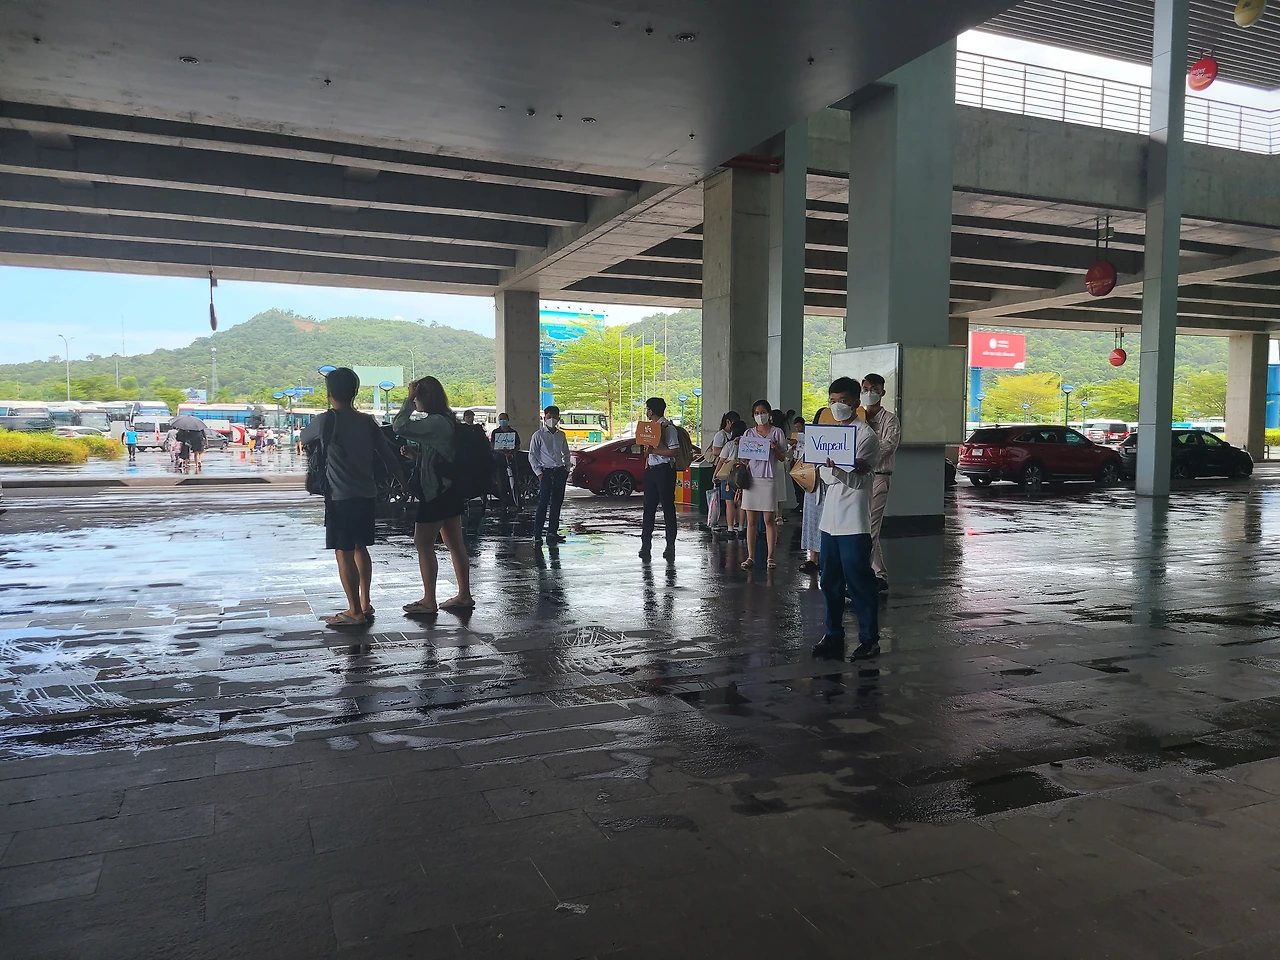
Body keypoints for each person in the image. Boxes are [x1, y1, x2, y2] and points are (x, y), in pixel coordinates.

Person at [301, 367, 407, 628]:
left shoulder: (325, 420)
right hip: (367, 495)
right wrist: (405, 484)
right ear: (355, 391)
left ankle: (354, 611)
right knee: (361, 547)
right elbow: (388, 455)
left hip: (340, 497)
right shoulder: (367, 421)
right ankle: (364, 602)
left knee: (343, 551)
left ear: (329, 393)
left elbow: (305, 437)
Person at [812, 377, 882, 661]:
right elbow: (823, 474)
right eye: (832, 401)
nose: (837, 406)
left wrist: (838, 470)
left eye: (842, 401)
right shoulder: (829, 435)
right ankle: (833, 633)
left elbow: (858, 480)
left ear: (855, 402)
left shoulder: (866, 436)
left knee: (858, 580)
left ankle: (869, 638)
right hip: (830, 520)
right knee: (829, 579)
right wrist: (839, 469)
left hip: (854, 520)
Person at [393, 377, 474, 615]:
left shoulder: (437, 422)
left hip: (437, 493)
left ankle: (429, 600)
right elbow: (440, 456)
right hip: (449, 489)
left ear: (427, 397)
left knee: (423, 543)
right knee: (455, 543)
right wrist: (416, 456)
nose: (415, 401)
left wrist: (407, 400)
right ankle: (464, 595)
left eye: (417, 397)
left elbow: (399, 426)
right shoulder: (445, 420)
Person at [860, 373, 901, 594]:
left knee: (870, 528)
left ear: (882, 392)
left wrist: (863, 454)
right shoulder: (858, 417)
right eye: (865, 389)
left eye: (874, 389)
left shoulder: (890, 420)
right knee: (864, 527)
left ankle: (863, 578)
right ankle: (879, 574)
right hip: (858, 477)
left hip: (878, 476)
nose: (869, 393)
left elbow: (888, 445)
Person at [738, 400, 789, 570]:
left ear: (769, 413)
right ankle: (750, 556)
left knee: (769, 519)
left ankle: (770, 556)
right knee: (751, 520)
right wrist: (742, 447)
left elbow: (782, 457)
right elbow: (745, 459)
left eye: (763, 412)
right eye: (757, 413)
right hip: (752, 479)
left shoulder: (777, 432)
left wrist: (773, 448)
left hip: (768, 479)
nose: (760, 416)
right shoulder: (748, 433)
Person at [637, 397, 680, 562]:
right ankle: (645, 546)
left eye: (648, 409)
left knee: (668, 508)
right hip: (651, 471)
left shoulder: (668, 428)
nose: (647, 412)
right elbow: (647, 452)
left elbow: (674, 451)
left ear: (652, 411)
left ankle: (670, 546)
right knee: (648, 508)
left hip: (665, 471)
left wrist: (654, 452)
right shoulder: (648, 429)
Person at [528, 404, 571, 544]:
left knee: (557, 503)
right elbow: (532, 455)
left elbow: (566, 452)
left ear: (558, 418)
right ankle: (537, 534)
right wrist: (538, 473)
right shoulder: (538, 435)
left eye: (554, 417)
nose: (551, 419)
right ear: (544, 417)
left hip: (559, 471)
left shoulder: (561, 435)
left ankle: (552, 532)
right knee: (543, 503)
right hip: (545, 472)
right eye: (549, 416)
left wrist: (566, 468)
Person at [799, 409, 824, 574]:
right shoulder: (812, 438)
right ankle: (813, 558)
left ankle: (825, 558)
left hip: (831, 485)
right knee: (813, 521)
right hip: (813, 484)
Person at [714, 418, 747, 537]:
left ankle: (730, 529)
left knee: (729, 503)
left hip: (729, 478)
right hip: (743, 477)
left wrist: (715, 474)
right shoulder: (747, 445)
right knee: (741, 503)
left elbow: (721, 461)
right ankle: (741, 528)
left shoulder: (729, 444)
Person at [708, 411, 739, 532]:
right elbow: (715, 452)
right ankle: (735, 524)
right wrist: (728, 450)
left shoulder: (733, 437)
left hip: (730, 469)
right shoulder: (720, 435)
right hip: (724, 469)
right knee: (731, 500)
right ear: (728, 422)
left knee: (732, 500)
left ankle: (733, 524)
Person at [490, 412, 521, 509]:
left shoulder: (513, 432)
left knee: (514, 481)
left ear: (508, 420)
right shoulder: (495, 432)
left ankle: (516, 502)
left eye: (504, 419)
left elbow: (518, 445)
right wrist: (503, 453)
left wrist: (511, 452)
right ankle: (504, 503)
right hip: (499, 461)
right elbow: (492, 446)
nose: (502, 421)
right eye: (501, 419)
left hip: (511, 460)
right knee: (501, 483)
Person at [770, 409, 790, 524]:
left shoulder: (776, 431)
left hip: (775, 462)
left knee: (776, 489)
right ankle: (779, 515)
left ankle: (775, 514)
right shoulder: (782, 431)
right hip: (779, 464)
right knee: (780, 489)